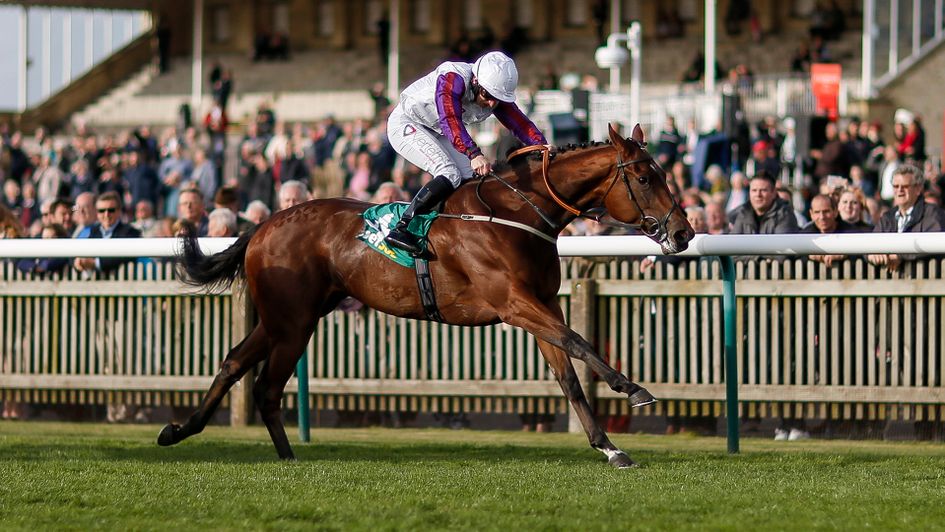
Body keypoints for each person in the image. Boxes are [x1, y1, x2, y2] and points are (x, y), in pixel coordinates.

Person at [384, 51, 547, 254]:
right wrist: (473, 153)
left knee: (470, 179)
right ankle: (403, 227)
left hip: (437, 129)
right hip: (407, 123)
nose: (492, 104)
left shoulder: (491, 89)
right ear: (476, 81)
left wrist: (542, 145)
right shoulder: (453, 78)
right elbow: (449, 119)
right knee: (449, 173)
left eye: (497, 99)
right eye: (488, 96)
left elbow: (520, 123)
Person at [868, 165, 945, 271]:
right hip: (890, 279)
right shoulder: (887, 217)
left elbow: (933, 243)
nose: (900, 190)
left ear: (918, 189)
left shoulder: (933, 213)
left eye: (905, 186)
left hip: (926, 278)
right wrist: (870, 255)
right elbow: (870, 243)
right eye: (896, 186)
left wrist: (900, 255)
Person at [73, 191, 142, 276]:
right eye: (101, 211)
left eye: (111, 210)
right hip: (93, 283)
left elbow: (122, 256)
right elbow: (74, 254)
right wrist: (79, 262)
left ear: (119, 211)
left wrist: (95, 263)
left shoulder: (130, 232)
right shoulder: (92, 231)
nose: (106, 214)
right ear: (97, 213)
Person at [728, 173, 800, 235]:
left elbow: (782, 245)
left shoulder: (785, 214)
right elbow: (733, 243)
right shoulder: (743, 213)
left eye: (763, 190)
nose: (758, 195)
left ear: (774, 193)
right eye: (754, 190)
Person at [802, 194, 857, 267]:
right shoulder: (805, 235)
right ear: (811, 214)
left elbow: (861, 253)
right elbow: (794, 255)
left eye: (826, 211)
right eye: (817, 212)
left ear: (835, 212)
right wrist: (809, 255)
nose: (822, 217)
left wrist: (844, 255)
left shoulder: (850, 232)